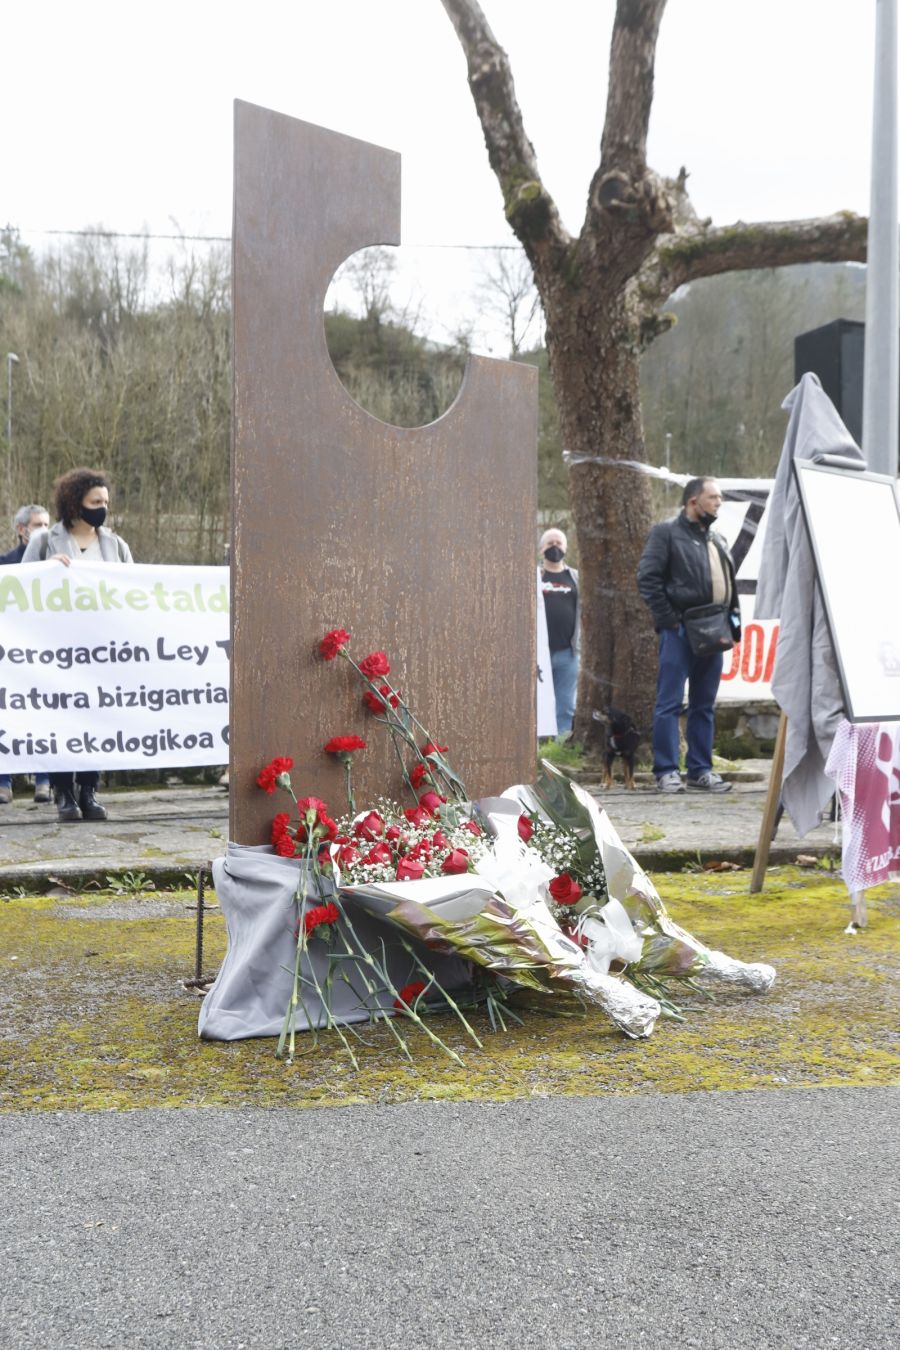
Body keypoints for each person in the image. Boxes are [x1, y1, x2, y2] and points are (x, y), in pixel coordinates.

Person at [23, 467, 133, 823]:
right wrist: (46, 571)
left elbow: (136, 591)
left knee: (96, 718)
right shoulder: (44, 542)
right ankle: (63, 792)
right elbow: (20, 589)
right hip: (56, 651)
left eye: (106, 502)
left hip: (102, 651)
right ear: (75, 503)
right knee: (60, 719)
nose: (102, 507)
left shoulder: (115, 545)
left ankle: (89, 790)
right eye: (95, 501)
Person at [637, 477, 739, 794]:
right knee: (669, 703)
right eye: (713, 497)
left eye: (720, 498)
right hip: (681, 631)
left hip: (714, 630)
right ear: (693, 500)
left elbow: (729, 585)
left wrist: (733, 624)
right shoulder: (666, 533)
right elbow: (647, 579)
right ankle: (667, 771)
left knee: (704, 705)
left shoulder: (717, 539)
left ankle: (700, 770)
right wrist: (671, 622)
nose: (718, 503)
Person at [0, 504, 53, 805]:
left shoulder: (58, 564)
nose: (43, 530)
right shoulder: (4, 564)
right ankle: (4, 781)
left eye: (48, 524)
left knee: (43, 716)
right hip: (8, 657)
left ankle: (43, 781)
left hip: (43, 656)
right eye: (37, 525)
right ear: (21, 529)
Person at [539, 526, 579, 735]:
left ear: (566, 547)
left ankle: (561, 744)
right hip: (538, 655)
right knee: (537, 702)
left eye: (558, 543)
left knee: (565, 705)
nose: (554, 547)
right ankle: (537, 745)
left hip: (567, 652)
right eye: (550, 544)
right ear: (541, 549)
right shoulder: (535, 576)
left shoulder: (575, 578)